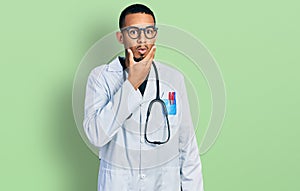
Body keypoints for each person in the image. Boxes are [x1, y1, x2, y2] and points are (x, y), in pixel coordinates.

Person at [83, 4, 204, 191]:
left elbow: (187, 146)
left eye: (148, 32)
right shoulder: (101, 78)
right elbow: (96, 136)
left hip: (163, 185)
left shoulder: (173, 79)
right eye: (133, 32)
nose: (142, 40)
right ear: (120, 37)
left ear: (155, 35)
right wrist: (131, 84)